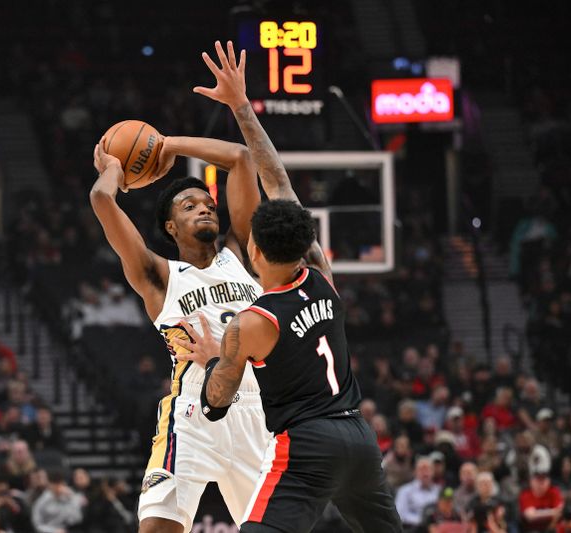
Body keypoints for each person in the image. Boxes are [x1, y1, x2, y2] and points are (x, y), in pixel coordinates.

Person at [181, 41, 401, 532]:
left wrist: (215, 358)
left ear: (254, 251)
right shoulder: (321, 274)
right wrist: (241, 105)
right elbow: (275, 176)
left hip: (308, 444)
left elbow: (217, 402)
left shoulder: (253, 321)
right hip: (360, 439)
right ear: (305, 242)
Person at [90, 75, 272, 531]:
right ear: (171, 228)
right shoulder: (158, 275)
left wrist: (166, 145)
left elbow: (240, 158)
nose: (205, 207)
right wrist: (114, 169)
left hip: (258, 409)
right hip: (192, 413)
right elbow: (100, 198)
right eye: (189, 206)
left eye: (207, 202)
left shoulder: (242, 256)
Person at [395, 457, 442, 528]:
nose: (425, 473)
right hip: (412, 529)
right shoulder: (405, 491)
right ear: (415, 472)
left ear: (433, 472)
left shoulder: (439, 490)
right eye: (422, 469)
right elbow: (400, 515)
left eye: (428, 469)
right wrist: (423, 521)